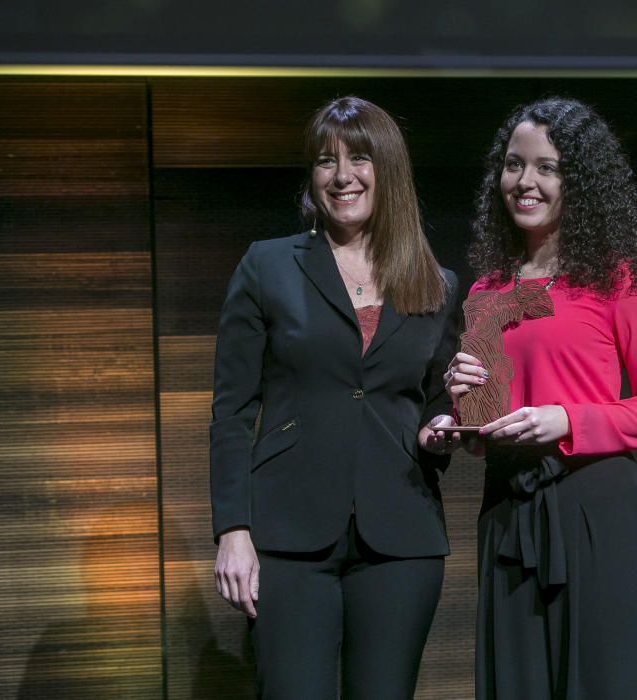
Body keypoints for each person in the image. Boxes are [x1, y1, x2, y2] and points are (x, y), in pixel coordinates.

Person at [210, 96, 462, 699]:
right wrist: (233, 529)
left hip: (400, 537)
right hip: (288, 535)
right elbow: (231, 410)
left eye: (359, 158)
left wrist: (442, 427)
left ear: (389, 171)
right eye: (326, 161)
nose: (342, 175)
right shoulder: (268, 265)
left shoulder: (437, 283)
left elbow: (436, 401)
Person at [445, 96, 637, 699]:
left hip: (595, 512)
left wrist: (566, 419)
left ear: (577, 180)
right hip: (508, 509)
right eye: (513, 164)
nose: (524, 182)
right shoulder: (486, 289)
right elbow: (488, 427)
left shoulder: (619, 278)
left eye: (546, 167)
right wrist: (463, 407)